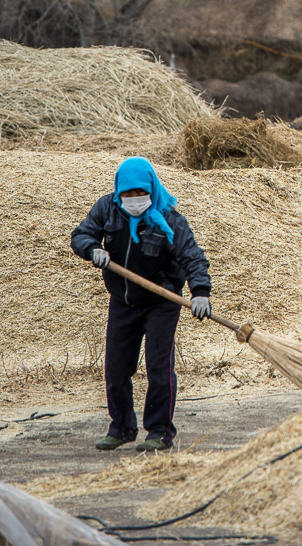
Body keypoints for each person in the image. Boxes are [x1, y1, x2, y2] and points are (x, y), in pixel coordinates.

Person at [71, 156, 212, 452]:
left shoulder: (168, 218)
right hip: (123, 300)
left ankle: (160, 431)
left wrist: (200, 291)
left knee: (159, 367)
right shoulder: (107, 209)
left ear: (151, 189)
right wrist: (93, 249)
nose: (135, 199)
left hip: (161, 301)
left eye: (140, 193)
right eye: (128, 194)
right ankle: (122, 427)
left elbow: (192, 256)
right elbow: (81, 235)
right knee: (116, 368)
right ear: (119, 192)